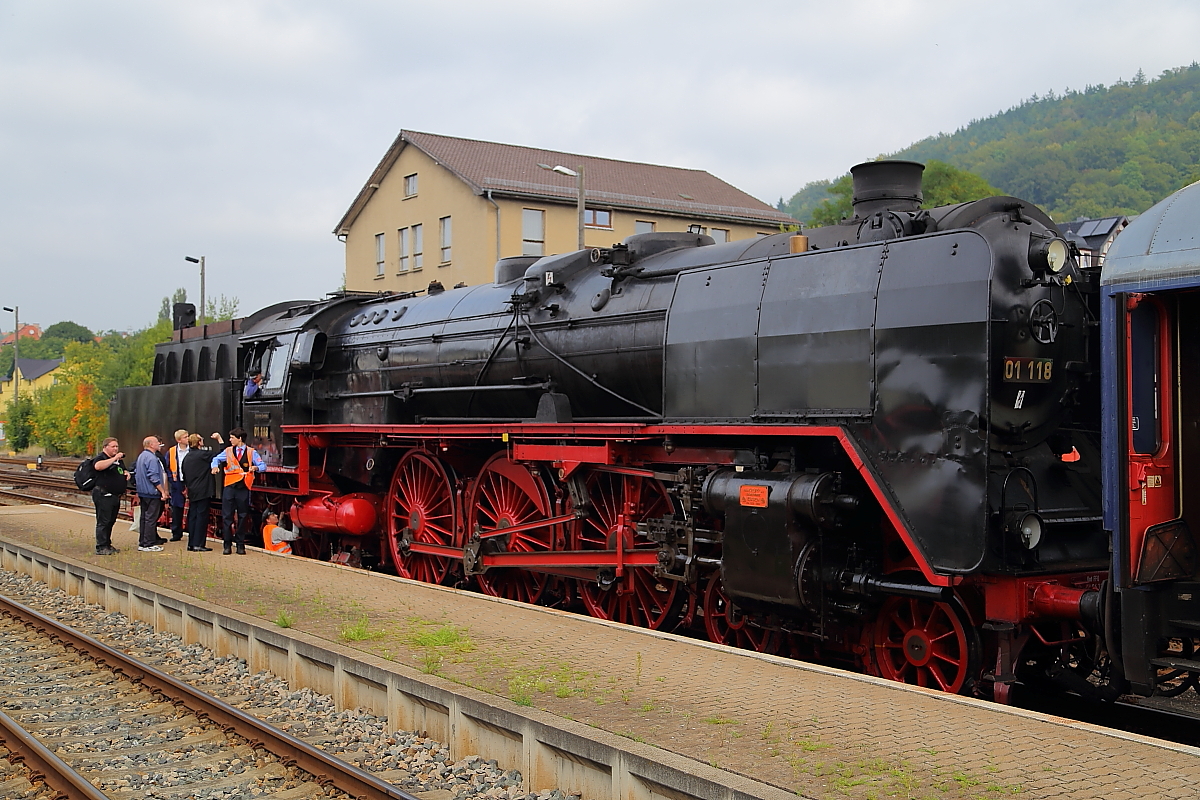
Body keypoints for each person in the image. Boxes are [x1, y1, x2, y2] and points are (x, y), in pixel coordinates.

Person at [211, 427, 265, 555]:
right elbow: (216, 459)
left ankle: (240, 545)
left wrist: (256, 467)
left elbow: (263, 466)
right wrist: (214, 467)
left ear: (239, 439)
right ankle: (227, 545)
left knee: (242, 516)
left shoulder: (251, 452)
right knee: (227, 517)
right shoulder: (228, 451)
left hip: (243, 488)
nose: (230, 440)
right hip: (229, 487)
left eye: (232, 438)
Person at [181, 432, 224, 551]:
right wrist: (220, 440)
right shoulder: (202, 454)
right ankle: (198, 544)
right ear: (199, 442)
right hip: (203, 490)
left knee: (193, 516)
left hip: (192, 490)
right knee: (201, 517)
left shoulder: (187, 457)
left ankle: (191, 543)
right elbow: (221, 455)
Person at [90, 437, 128, 555]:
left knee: (111, 521)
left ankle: (107, 544)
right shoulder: (101, 458)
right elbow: (98, 466)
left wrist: (126, 473)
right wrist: (115, 458)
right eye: (113, 446)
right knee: (103, 521)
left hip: (115, 495)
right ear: (105, 447)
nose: (116, 449)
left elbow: (122, 470)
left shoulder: (118, 460)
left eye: (117, 446)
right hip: (103, 494)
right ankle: (101, 546)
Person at [134, 435, 169, 552]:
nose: (159, 444)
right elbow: (153, 477)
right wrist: (162, 491)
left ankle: (143, 542)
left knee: (144, 517)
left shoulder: (141, 456)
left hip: (143, 492)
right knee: (150, 518)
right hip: (151, 492)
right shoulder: (152, 458)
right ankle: (148, 543)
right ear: (151, 445)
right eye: (157, 442)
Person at [165, 429, 191, 542]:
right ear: (179, 440)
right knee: (176, 508)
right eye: (185, 437)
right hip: (177, 483)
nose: (188, 439)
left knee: (191, 508)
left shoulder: (192, 450)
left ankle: (191, 531)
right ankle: (176, 532)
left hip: (190, 483)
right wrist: (172, 480)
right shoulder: (171, 452)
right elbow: (167, 467)